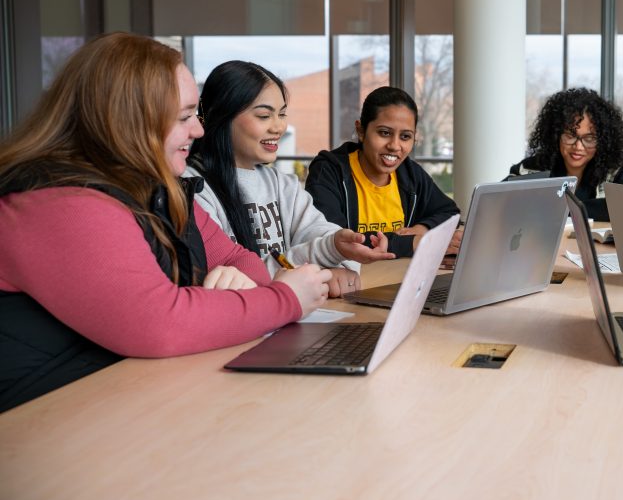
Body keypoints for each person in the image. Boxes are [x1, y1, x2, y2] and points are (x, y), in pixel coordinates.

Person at [0, 33, 331, 412]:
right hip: (37, 426)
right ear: (129, 120)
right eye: (185, 117)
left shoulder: (162, 190)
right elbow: (161, 325)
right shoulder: (57, 203)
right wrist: (285, 299)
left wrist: (235, 294)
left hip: (118, 405)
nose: (199, 131)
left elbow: (247, 264)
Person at [184, 61, 395, 298]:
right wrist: (326, 256)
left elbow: (324, 234)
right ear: (220, 117)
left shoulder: (281, 184)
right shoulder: (192, 189)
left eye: (282, 114)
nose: (279, 127)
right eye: (264, 115)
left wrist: (340, 262)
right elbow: (238, 282)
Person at [305, 86, 460, 258]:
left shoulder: (409, 172)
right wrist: (416, 242)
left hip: (397, 278)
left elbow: (450, 213)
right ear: (361, 131)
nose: (394, 145)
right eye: (384, 133)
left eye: (405, 136)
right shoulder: (328, 171)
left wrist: (422, 229)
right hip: (351, 280)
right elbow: (333, 240)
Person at [506, 87, 623, 221]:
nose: (578, 146)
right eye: (570, 136)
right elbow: (498, 202)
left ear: (602, 141)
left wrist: (558, 208)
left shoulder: (616, 169)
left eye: (589, 139)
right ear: (556, 135)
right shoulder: (531, 169)